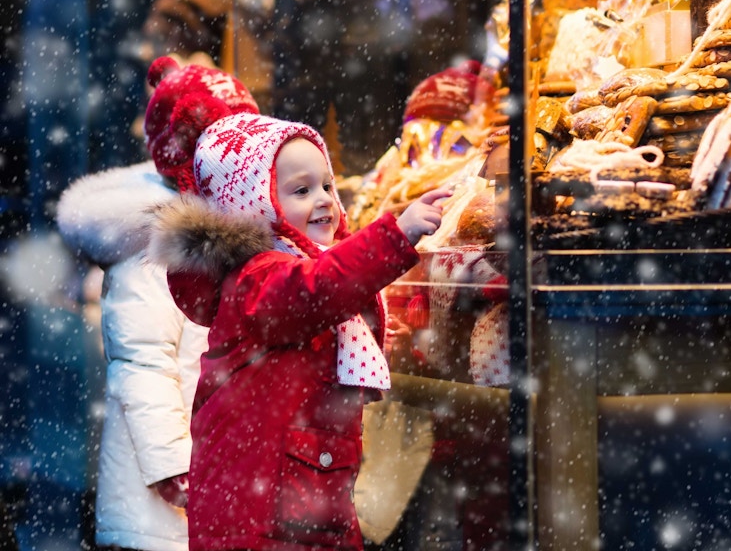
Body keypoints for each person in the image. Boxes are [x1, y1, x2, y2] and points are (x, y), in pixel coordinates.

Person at [143, 55, 448, 551]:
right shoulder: (257, 277)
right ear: (254, 204)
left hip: (303, 494)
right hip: (262, 510)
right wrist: (396, 235)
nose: (326, 199)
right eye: (301, 190)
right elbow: (317, 290)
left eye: (327, 185)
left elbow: (330, 301)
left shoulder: (297, 272)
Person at [56, 55, 260, 550]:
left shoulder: (228, 233)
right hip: (167, 491)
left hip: (216, 467)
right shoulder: (154, 245)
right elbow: (141, 361)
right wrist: (172, 464)